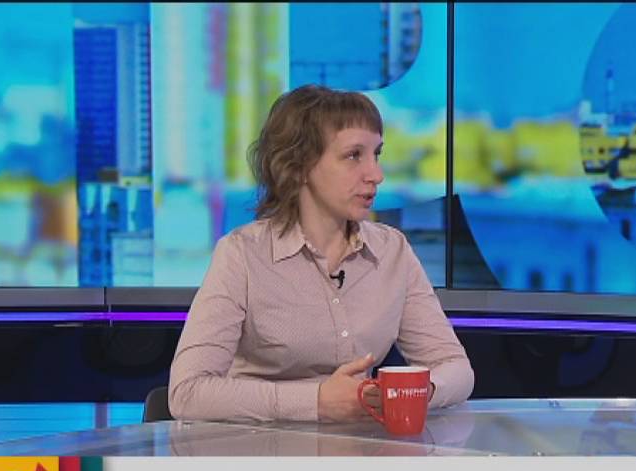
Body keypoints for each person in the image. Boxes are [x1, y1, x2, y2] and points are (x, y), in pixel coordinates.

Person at [168, 84, 473, 422]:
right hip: (263, 451)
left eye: (376, 154)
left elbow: (455, 368)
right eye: (354, 155)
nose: (376, 175)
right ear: (300, 165)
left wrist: (418, 392)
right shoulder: (242, 255)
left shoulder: (392, 251)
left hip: (361, 448)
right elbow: (187, 393)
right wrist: (315, 401)